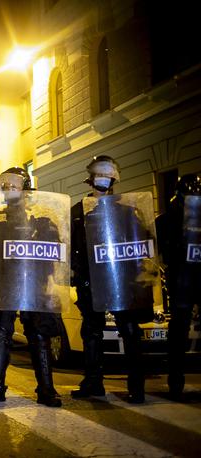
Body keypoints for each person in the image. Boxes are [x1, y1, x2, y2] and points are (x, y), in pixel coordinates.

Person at [0, 167, 63, 407]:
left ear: (25, 188)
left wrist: (48, 282)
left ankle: (46, 388)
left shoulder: (40, 218)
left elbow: (52, 255)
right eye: (5, 186)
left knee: (38, 334)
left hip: (32, 284)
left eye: (14, 186)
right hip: (3, 285)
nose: (8, 190)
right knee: (1, 334)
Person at [70, 155, 153, 404]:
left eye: (108, 175)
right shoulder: (78, 211)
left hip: (121, 280)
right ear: (91, 179)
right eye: (100, 175)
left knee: (129, 331)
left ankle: (136, 388)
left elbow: (141, 244)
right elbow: (72, 245)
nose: (104, 179)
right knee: (91, 332)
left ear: (114, 177)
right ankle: (93, 383)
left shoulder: (127, 210)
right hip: (90, 282)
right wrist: (77, 274)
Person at [155, 173, 201, 401]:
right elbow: (157, 250)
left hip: (191, 278)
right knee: (179, 330)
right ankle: (175, 381)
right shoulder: (167, 220)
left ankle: (177, 381)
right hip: (181, 280)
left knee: (180, 330)